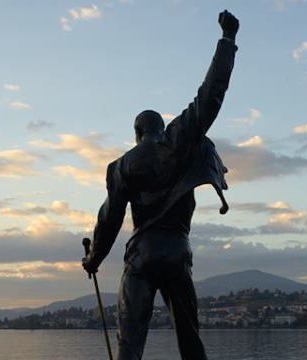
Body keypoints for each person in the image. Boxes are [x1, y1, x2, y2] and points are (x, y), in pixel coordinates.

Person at [81, 10, 239, 360]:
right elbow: (210, 97)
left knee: (130, 344)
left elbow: (109, 220)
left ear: (136, 134)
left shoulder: (122, 166)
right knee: (190, 342)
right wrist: (227, 41)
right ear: (159, 128)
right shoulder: (179, 144)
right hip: (177, 254)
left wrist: (94, 258)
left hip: (143, 256)